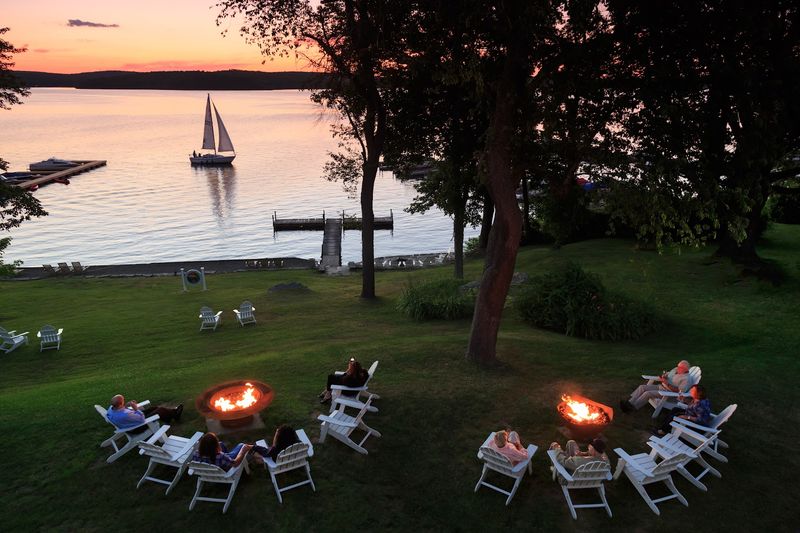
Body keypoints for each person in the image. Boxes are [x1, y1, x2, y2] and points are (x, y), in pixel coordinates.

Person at [620, 359, 692, 413]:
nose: (677, 368)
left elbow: (679, 392)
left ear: (685, 369)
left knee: (647, 393)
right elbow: (668, 374)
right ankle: (629, 403)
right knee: (642, 387)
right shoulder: (676, 369)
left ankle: (632, 408)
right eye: (678, 366)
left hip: (668, 394)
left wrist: (667, 383)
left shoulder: (686, 379)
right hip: (661, 386)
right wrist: (664, 376)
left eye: (679, 368)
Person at [106, 394, 183, 432]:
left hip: (130, 421)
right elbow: (142, 419)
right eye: (123, 401)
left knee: (154, 408)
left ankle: (171, 415)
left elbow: (122, 411)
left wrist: (125, 406)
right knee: (160, 410)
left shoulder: (111, 408)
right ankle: (175, 415)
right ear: (120, 404)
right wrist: (135, 408)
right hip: (139, 426)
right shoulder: (125, 415)